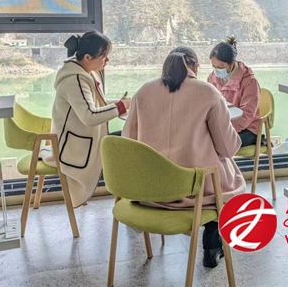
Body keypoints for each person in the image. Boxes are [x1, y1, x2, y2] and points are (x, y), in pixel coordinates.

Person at [122, 47, 245, 268]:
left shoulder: (143, 92)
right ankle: (212, 242)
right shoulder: (208, 93)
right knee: (228, 175)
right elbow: (228, 149)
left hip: (149, 189)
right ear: (195, 67)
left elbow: (128, 144)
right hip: (195, 190)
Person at [41, 31, 130, 208]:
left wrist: (122, 104)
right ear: (88, 57)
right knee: (129, 143)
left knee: (126, 140)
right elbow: (90, 116)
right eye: (104, 56)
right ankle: (133, 197)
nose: (107, 60)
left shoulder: (84, 72)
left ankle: (129, 197)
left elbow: (96, 104)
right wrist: (121, 107)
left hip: (80, 140)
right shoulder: (74, 80)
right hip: (74, 147)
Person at [208, 37, 262, 148]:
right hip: (222, 127)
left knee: (217, 143)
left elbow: (247, 115)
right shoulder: (212, 78)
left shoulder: (249, 82)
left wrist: (224, 129)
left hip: (247, 129)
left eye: (220, 67)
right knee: (201, 139)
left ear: (232, 64)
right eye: (214, 66)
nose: (216, 70)